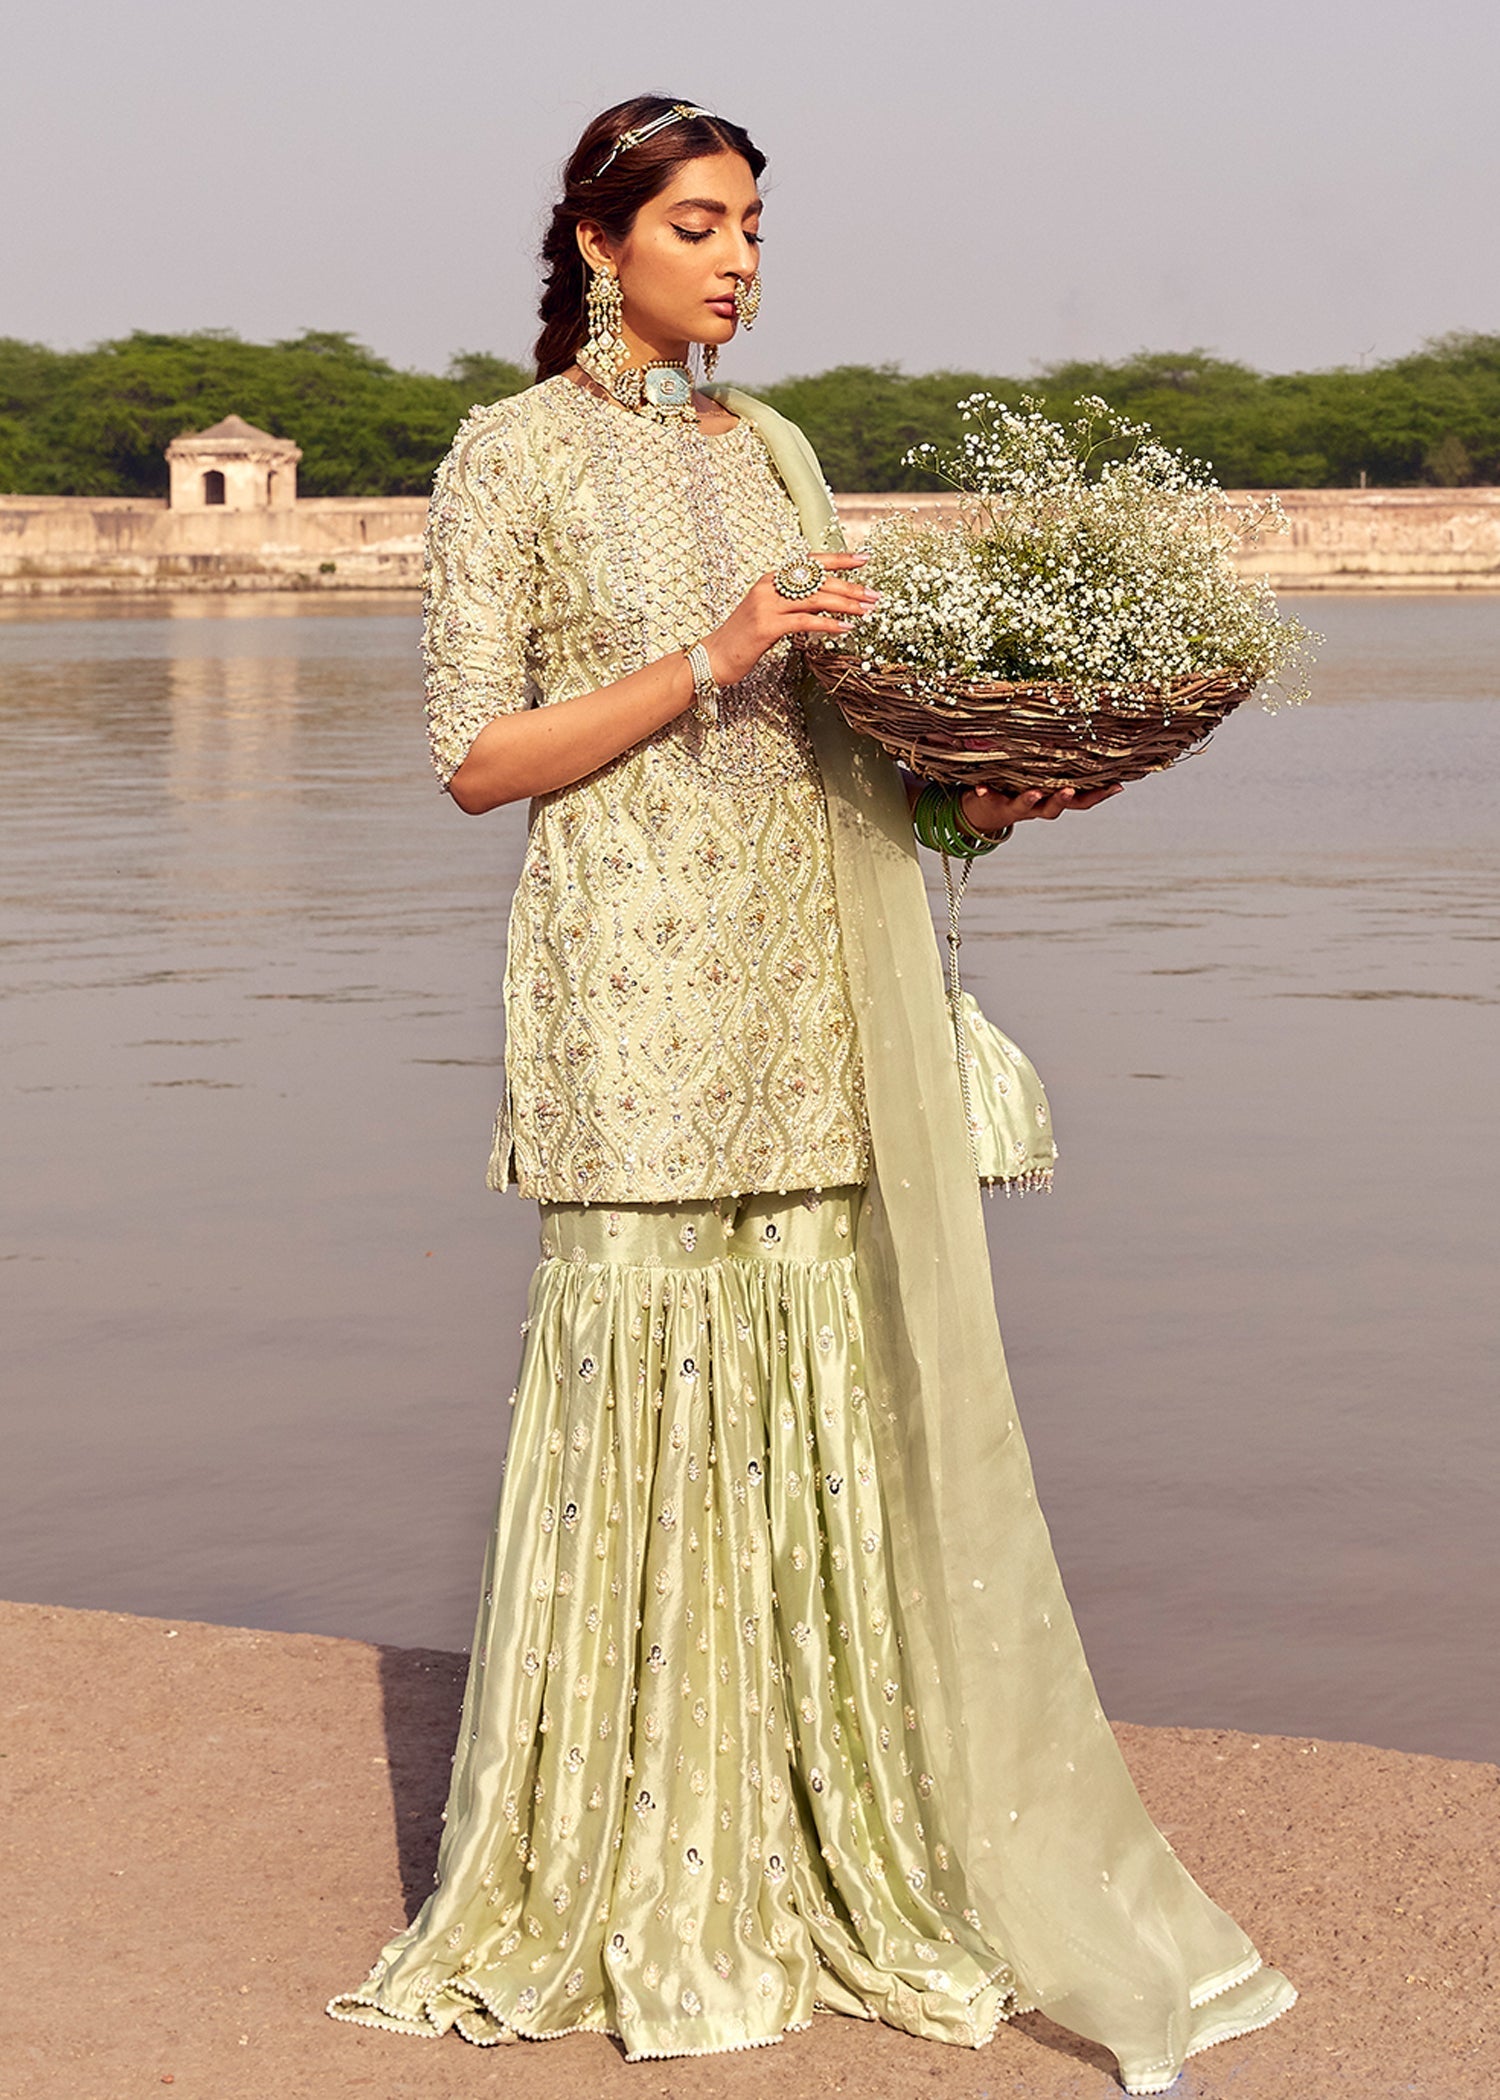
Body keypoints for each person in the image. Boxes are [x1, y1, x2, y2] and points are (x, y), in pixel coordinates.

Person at [327, 94, 1296, 2093]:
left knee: (819, 1403)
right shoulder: (508, 459)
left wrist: (981, 806)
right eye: (700, 223)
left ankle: (809, 1842)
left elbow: (834, 753)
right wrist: (719, 644)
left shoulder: (772, 449)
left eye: (756, 224)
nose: (740, 258)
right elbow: (478, 759)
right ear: (601, 244)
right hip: (633, 989)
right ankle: (620, 1870)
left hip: (805, 980)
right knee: (649, 1389)